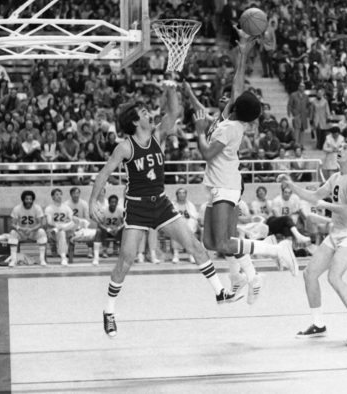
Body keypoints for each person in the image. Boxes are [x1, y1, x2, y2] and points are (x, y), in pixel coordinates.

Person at [89, 80, 240, 339]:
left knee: (194, 246)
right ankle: (109, 311)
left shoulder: (159, 135)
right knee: (126, 261)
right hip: (136, 208)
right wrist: (93, 201)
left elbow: (174, 112)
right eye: (144, 113)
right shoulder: (125, 147)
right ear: (136, 122)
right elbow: (104, 173)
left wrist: (171, 87)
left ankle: (219, 292)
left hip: (161, 203)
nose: (150, 113)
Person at [193, 26, 298, 307]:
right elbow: (238, 83)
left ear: (236, 108)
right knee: (211, 243)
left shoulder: (229, 128)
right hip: (219, 187)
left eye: (232, 99)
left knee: (226, 243)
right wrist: (242, 53)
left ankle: (276, 251)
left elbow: (205, 153)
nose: (230, 96)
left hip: (227, 186)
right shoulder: (231, 117)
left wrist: (199, 130)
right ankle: (247, 274)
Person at [278, 139, 347, 345]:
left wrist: (326, 204)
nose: (339, 149)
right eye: (340, 147)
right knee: (310, 274)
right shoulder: (336, 177)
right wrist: (291, 185)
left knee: (334, 277)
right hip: (336, 232)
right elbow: (314, 196)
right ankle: (318, 324)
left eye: (345, 148)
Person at [7, 190, 47, 267]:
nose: (29, 201)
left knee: (41, 231)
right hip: (22, 232)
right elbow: (12, 224)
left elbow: (40, 224)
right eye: (27, 199)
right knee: (12, 232)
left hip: (33, 232)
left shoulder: (37, 208)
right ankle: (13, 260)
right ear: (23, 199)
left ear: (33, 199)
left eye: (30, 199)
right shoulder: (17, 208)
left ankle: (42, 260)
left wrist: (31, 229)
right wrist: (20, 228)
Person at [170, 188, 200, 264]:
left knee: (189, 231)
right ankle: (176, 254)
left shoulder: (190, 205)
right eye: (180, 193)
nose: (182, 195)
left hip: (188, 224)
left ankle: (191, 254)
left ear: (186, 194)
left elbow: (194, 217)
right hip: (177, 224)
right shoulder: (172, 205)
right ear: (177, 195)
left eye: (183, 193)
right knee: (176, 230)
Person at [96, 193, 125, 258]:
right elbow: (99, 224)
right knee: (99, 231)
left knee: (124, 230)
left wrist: (118, 228)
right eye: (112, 202)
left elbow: (124, 223)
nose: (113, 204)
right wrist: (107, 229)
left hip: (116, 231)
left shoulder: (120, 210)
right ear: (108, 202)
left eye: (115, 202)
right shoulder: (103, 209)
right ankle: (104, 250)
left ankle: (121, 250)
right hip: (106, 230)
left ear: (117, 203)